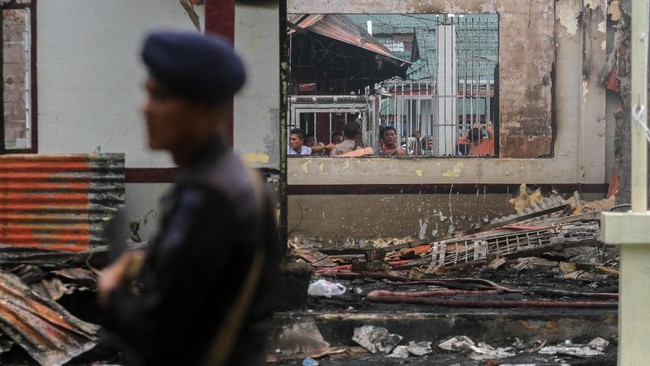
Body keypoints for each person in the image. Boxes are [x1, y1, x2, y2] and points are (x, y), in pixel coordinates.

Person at [97, 30, 282, 366]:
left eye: (161, 97)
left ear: (206, 109)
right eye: (148, 95)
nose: (145, 110)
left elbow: (159, 334)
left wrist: (112, 293)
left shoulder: (210, 198)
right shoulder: (235, 180)